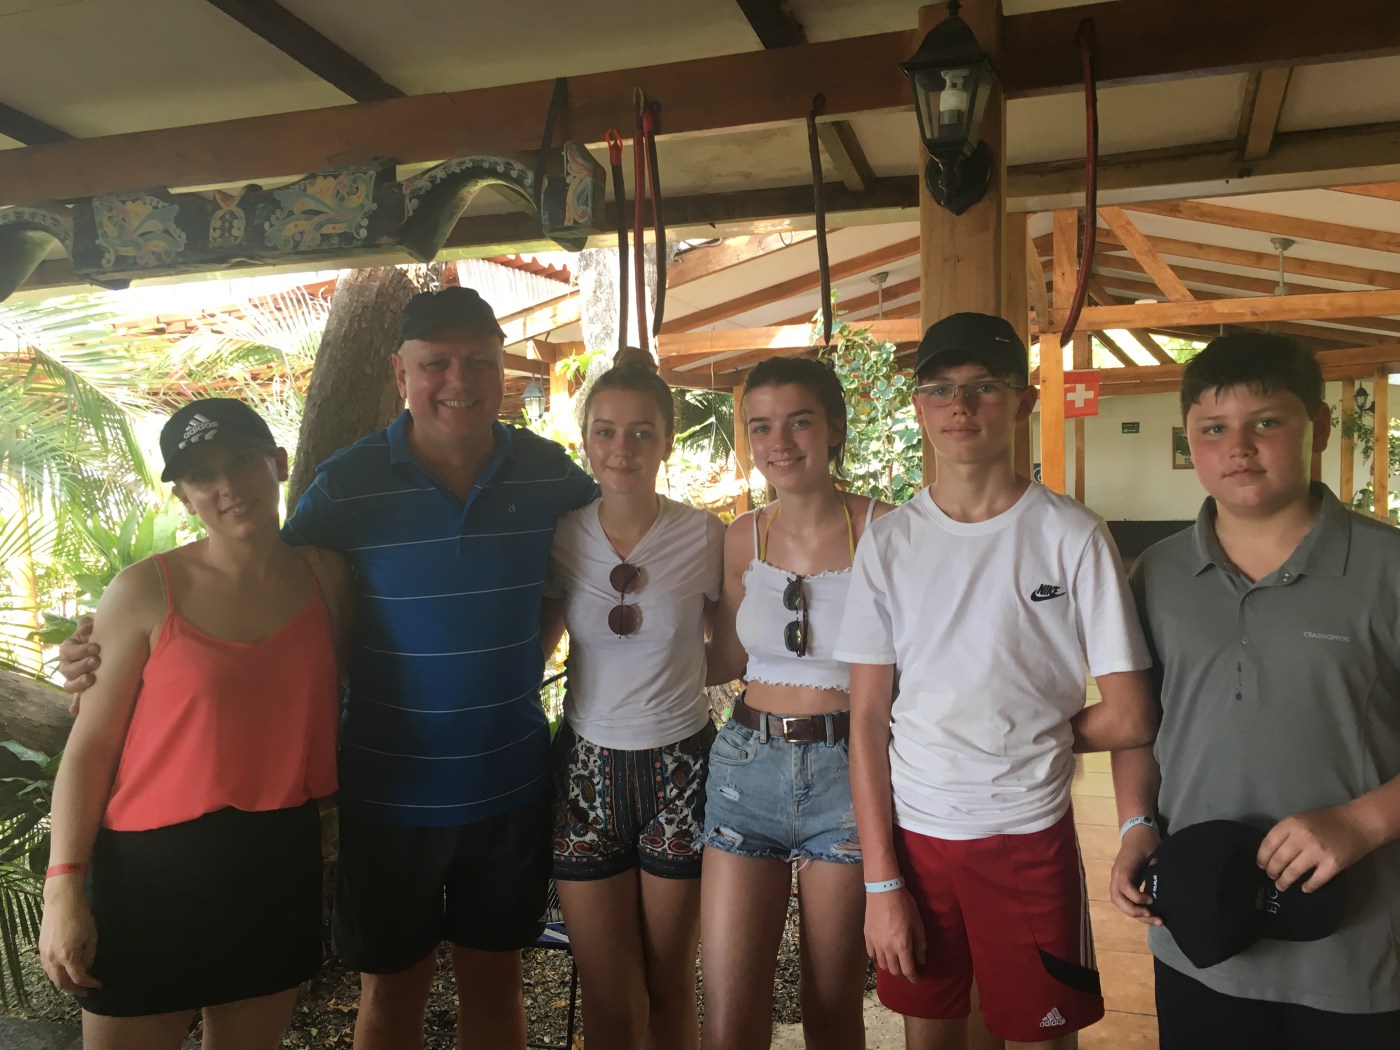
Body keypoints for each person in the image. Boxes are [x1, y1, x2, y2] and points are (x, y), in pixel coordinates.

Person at [61, 287, 597, 1050]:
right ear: (399, 372)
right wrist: (103, 644)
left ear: (501, 367)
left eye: (479, 361)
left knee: (496, 987)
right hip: (386, 793)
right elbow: (260, 574)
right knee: (390, 993)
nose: (459, 380)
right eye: (436, 363)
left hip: (507, 782)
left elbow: (610, 552)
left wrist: (531, 651)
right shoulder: (348, 484)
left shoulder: (548, 474)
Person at [835, 312, 1158, 1050]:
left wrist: (1025, 734)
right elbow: (867, 721)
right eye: (941, 388)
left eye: (983, 385)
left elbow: (1132, 715)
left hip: (1027, 833)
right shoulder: (889, 542)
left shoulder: (1071, 534)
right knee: (929, 1031)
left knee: (1041, 1035)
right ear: (918, 406)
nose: (961, 405)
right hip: (916, 837)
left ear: (1023, 401)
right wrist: (881, 883)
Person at [1109, 332, 1400, 1049]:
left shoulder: (1388, 568)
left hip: (1358, 947)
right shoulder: (1157, 575)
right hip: (1199, 928)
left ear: (1319, 426)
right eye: (1213, 429)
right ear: (1190, 440)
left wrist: (1364, 821)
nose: (1238, 447)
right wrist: (1135, 823)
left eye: (1266, 421)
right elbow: (1140, 725)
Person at [40, 398, 351, 1050]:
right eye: (203, 475)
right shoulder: (143, 591)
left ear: (279, 463)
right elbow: (90, 749)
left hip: (277, 862)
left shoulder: (328, 578)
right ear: (183, 497)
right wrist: (62, 890)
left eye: (243, 460)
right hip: (149, 875)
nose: (228, 485)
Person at [701, 356, 890, 1050]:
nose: (778, 442)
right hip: (745, 766)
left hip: (848, 770)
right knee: (728, 1012)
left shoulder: (885, 530)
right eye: (761, 427)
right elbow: (724, 657)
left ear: (834, 427)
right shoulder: (742, 535)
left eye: (798, 421)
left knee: (833, 1006)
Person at [543, 347, 724, 1049]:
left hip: (682, 768)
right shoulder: (563, 536)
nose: (623, 448)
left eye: (642, 431)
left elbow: (735, 647)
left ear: (667, 441)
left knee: (670, 983)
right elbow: (537, 642)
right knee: (608, 996)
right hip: (585, 772)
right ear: (586, 440)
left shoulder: (704, 534)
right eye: (607, 431)